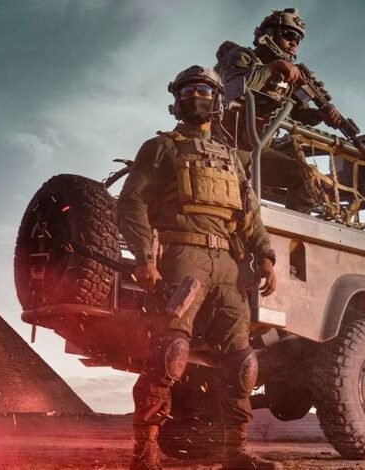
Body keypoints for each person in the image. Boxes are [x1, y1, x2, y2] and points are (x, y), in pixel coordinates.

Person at [117, 65, 280, 470]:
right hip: (182, 256)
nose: (195, 97)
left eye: (203, 90)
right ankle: (145, 452)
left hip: (227, 264)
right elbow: (132, 202)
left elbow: (251, 215)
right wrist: (145, 257)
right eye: (187, 91)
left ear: (218, 100)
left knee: (242, 361)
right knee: (169, 352)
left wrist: (265, 256)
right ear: (175, 102)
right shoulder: (161, 148)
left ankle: (235, 451)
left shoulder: (231, 160)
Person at [215, 8, 342, 213]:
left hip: (259, 150)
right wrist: (273, 67)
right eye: (289, 35)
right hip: (226, 145)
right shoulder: (243, 56)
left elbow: (298, 113)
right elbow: (234, 87)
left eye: (298, 39)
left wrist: (320, 115)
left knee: (304, 177)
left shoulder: (288, 75)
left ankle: (296, 228)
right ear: (270, 34)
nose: (294, 43)